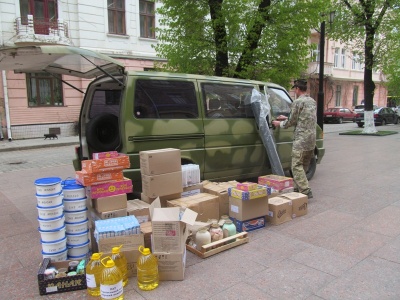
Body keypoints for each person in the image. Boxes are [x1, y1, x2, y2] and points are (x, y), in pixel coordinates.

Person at [272, 79, 316, 199]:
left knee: (296, 166)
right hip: (311, 139)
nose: (294, 91)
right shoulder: (311, 101)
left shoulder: (297, 102)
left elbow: (291, 122)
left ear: (297, 89)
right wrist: (285, 117)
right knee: (304, 166)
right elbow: (303, 118)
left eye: (294, 89)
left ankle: (305, 190)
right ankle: (298, 188)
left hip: (301, 140)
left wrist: (278, 123)